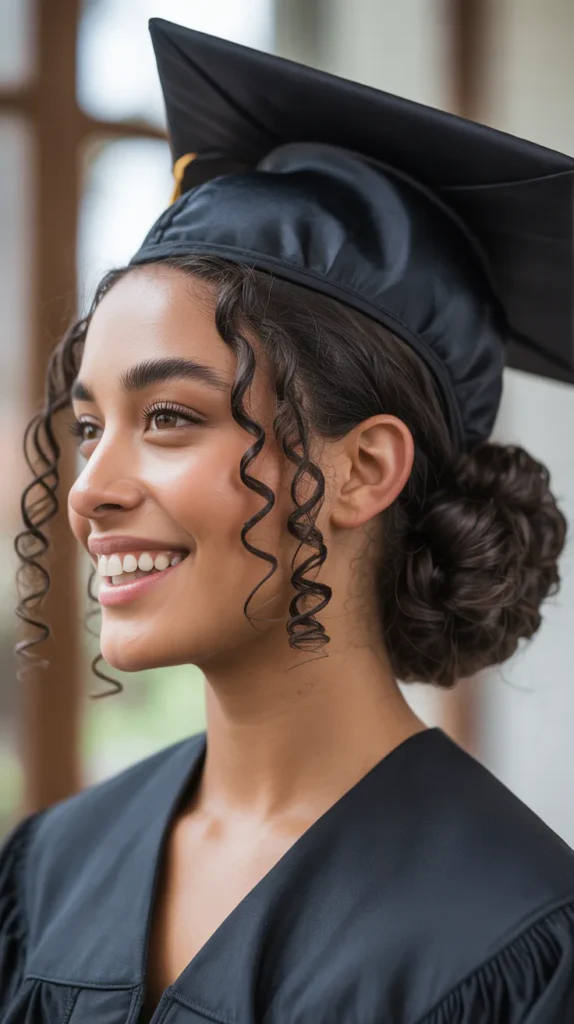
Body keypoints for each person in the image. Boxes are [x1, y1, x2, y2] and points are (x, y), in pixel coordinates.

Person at [2, 17, 574, 1024]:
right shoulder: (49, 866)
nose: (90, 487)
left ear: (362, 470)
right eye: (90, 424)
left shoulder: (515, 935)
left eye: (170, 418)